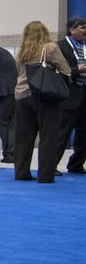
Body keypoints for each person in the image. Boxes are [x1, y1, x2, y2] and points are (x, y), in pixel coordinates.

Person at [11, 20, 70, 183]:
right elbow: (65, 69)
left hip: (22, 96)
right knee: (48, 136)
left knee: (23, 137)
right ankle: (45, 175)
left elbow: (18, 72)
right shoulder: (50, 48)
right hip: (45, 95)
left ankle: (21, 172)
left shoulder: (20, 52)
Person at [54, 18, 86, 172]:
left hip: (84, 96)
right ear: (72, 29)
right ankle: (51, 166)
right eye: (83, 28)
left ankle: (76, 164)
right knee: (62, 134)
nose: (85, 31)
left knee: (84, 135)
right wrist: (77, 70)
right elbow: (57, 70)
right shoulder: (59, 47)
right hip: (68, 96)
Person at [0, 42, 18, 162]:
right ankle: (13, 154)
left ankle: (10, 154)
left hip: (3, 90)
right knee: (11, 123)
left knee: (2, 122)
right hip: (11, 89)